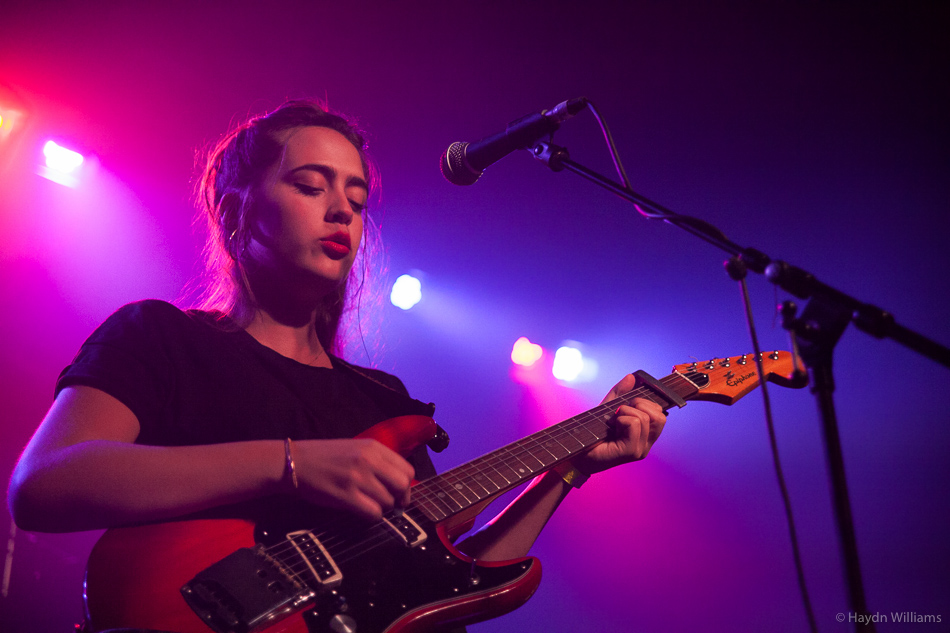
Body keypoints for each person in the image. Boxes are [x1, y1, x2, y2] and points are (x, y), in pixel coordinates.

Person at [7, 100, 666, 631]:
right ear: (236, 212)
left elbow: (439, 592)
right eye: (309, 185)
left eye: (356, 196)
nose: (342, 210)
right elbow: (44, 483)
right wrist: (292, 463)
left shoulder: (384, 403)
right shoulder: (160, 337)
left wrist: (568, 469)